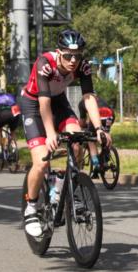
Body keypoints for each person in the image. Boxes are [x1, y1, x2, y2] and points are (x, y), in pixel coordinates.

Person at [19, 29, 112, 237]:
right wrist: (50, 133)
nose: (73, 61)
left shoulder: (83, 66)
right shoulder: (44, 64)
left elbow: (89, 98)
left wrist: (99, 129)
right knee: (42, 162)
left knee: (77, 140)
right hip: (34, 103)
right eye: (69, 56)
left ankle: (65, 187)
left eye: (77, 56)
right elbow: (43, 103)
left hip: (59, 101)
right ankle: (31, 208)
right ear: (59, 52)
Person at [77, 94, 115, 177]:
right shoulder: (100, 98)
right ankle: (106, 155)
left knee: (90, 139)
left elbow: (82, 122)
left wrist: (83, 125)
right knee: (104, 134)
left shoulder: (82, 102)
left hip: (100, 113)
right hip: (110, 114)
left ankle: (96, 164)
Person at [0, 88, 21, 156]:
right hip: (15, 112)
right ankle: (14, 148)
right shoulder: (10, 95)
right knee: (12, 131)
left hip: (4, 113)